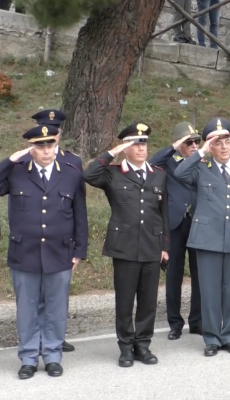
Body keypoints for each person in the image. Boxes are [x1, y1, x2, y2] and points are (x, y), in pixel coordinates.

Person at [0, 125, 88, 380]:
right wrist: (10, 160)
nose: (46, 151)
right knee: (27, 309)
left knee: (56, 307)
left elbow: (80, 215)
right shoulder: (16, 172)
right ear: (31, 148)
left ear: (56, 145)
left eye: (50, 145)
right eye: (40, 146)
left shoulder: (71, 174)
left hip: (60, 250)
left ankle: (52, 355)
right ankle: (29, 357)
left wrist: (79, 250)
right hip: (25, 252)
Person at [83, 123, 170, 367]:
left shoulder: (159, 174)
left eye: (143, 143)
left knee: (148, 300)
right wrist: (112, 153)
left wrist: (165, 246)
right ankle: (125, 347)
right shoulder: (113, 172)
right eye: (135, 143)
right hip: (124, 246)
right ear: (125, 147)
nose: (141, 148)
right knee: (124, 300)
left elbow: (165, 213)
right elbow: (89, 175)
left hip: (152, 245)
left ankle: (143, 345)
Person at [174, 117, 230, 357]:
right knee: (210, 291)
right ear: (210, 146)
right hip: (207, 238)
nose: (223, 147)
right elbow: (180, 173)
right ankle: (211, 338)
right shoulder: (200, 168)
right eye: (217, 142)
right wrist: (200, 151)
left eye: (227, 141)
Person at [31, 109, 81, 353]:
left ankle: (56, 338)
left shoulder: (72, 163)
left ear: (60, 132)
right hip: (33, 242)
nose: (51, 135)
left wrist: (80, 246)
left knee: (57, 297)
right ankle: (37, 339)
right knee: (35, 294)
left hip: (61, 243)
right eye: (45, 128)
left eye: (55, 130)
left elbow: (79, 210)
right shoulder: (27, 162)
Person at [150, 122, 202, 340]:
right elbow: (152, 163)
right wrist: (173, 147)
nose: (193, 145)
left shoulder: (202, 160)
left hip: (198, 223)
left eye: (196, 141)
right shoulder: (168, 162)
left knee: (200, 275)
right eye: (188, 142)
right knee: (174, 275)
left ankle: (197, 321)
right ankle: (175, 322)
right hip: (175, 224)